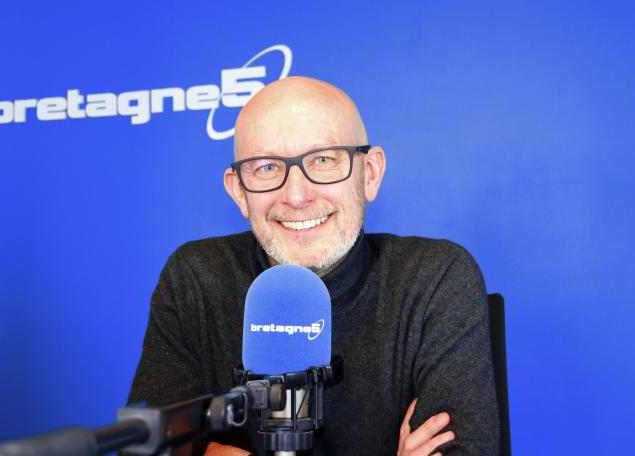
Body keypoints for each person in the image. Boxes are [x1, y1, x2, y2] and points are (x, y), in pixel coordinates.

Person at [128, 76, 499, 455]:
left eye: (323, 159)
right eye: (267, 167)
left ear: (370, 174)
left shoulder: (433, 278)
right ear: (239, 191)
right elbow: (150, 444)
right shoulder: (195, 277)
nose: (296, 195)